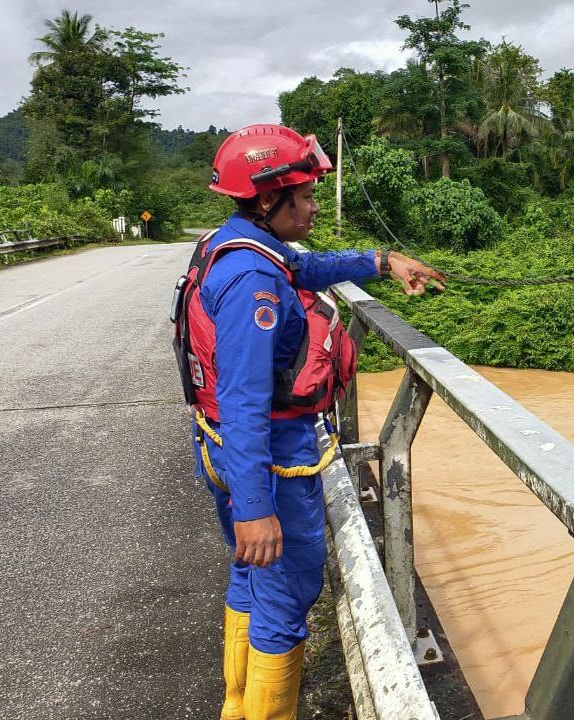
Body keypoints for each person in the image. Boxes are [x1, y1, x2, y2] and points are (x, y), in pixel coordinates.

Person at [177, 123, 443, 720]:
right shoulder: (253, 284)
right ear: (271, 199)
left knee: (252, 579)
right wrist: (255, 507)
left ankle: (236, 706)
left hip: (221, 444)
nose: (317, 204)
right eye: (306, 194)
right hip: (269, 456)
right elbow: (246, 399)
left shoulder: (235, 244)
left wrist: (381, 262)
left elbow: (307, 267)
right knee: (286, 594)